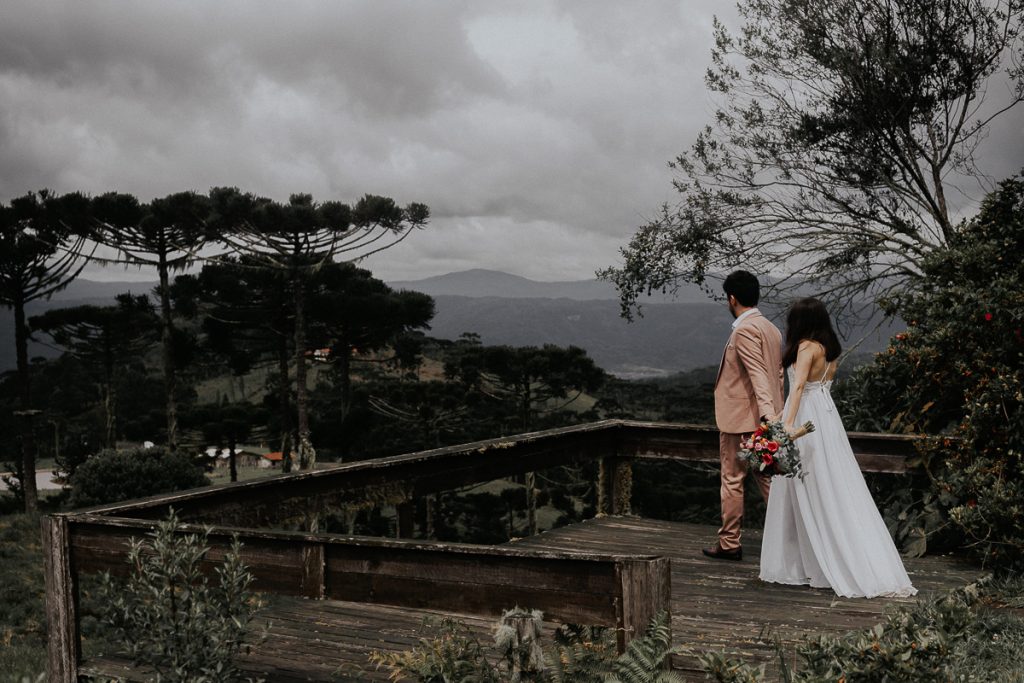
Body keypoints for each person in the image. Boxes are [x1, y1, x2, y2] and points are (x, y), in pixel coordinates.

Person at [759, 297, 916, 598]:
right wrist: (776, 421)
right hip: (826, 417)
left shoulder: (806, 347)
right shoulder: (830, 350)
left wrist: (787, 428)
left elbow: (800, 386)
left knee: (810, 486)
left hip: (806, 416)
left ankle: (809, 563)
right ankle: (815, 560)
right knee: (829, 485)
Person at [704, 271, 784, 561]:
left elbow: (759, 376)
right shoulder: (772, 329)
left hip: (743, 421)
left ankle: (729, 543)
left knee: (733, 480)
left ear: (732, 298)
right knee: (771, 482)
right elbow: (777, 378)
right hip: (765, 421)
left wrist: (768, 418)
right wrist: (776, 417)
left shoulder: (744, 330)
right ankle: (791, 540)